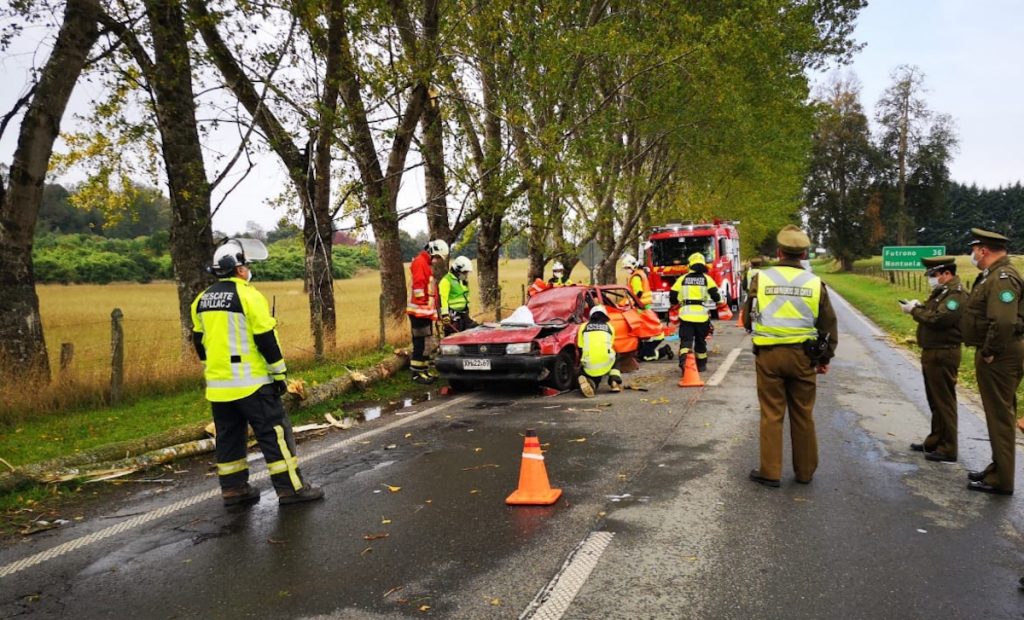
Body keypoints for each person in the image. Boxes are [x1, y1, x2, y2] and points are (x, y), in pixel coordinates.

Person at [191, 239, 324, 506]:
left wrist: (215, 369)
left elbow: (198, 342)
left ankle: (234, 490)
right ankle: (291, 489)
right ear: (238, 269)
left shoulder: (201, 300)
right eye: (246, 265)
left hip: (218, 386)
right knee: (274, 433)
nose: (248, 269)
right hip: (252, 382)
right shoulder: (248, 295)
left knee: (228, 437)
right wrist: (279, 375)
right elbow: (265, 339)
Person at [743, 225, 838, 488]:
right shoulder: (815, 284)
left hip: (769, 355)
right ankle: (805, 472)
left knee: (772, 413)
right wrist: (824, 358)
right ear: (804, 254)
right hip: (803, 357)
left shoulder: (761, 279)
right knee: (803, 413)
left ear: (779, 252)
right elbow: (828, 325)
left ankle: (770, 471)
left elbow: (746, 318)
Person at [960, 228, 1023, 495]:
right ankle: (998, 469)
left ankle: (1002, 479)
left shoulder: (1003, 278)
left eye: (974, 249)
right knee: (999, 413)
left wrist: (989, 350)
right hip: (1002, 352)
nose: (972, 254)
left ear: (983, 250)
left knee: (1000, 417)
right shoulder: (993, 275)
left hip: (1001, 354)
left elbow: (1004, 320)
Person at [898, 256, 965, 462]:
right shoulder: (942, 292)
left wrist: (914, 311)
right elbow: (932, 311)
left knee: (944, 401)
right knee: (935, 400)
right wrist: (918, 306)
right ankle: (936, 440)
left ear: (947, 274)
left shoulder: (956, 295)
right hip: (933, 351)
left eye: (934, 275)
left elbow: (939, 319)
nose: (931, 279)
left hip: (944, 352)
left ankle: (949, 447)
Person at [407, 239, 449, 384]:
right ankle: (416, 374)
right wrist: (423, 302)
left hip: (425, 313)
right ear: (431, 252)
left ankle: (423, 370)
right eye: (437, 257)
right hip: (419, 312)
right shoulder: (420, 262)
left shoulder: (425, 264)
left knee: (426, 343)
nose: (437, 261)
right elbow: (419, 286)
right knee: (420, 343)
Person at [670, 252, 720, 372]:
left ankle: (684, 364)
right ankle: (701, 365)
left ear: (690, 264)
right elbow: (716, 297)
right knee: (700, 341)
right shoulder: (707, 279)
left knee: (686, 341)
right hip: (702, 317)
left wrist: (676, 304)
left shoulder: (682, 279)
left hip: (686, 316)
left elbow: (672, 296)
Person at [623, 254, 672, 362]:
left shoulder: (636, 277)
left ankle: (664, 351)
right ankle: (649, 351)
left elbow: (638, 293)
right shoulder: (640, 273)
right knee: (643, 352)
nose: (627, 270)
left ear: (633, 266)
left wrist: (630, 303)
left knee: (646, 356)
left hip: (651, 328)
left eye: (627, 268)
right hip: (646, 309)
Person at [576, 305, 623, 397]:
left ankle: (591, 384)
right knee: (615, 355)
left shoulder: (583, 327)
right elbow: (610, 345)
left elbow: (580, 346)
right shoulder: (610, 327)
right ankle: (614, 381)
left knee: (590, 373)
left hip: (589, 362)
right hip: (606, 360)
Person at [439, 256, 478, 335]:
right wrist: (445, 315)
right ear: (457, 270)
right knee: (454, 337)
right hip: (452, 315)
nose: (466, 275)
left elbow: (465, 296)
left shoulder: (462, 281)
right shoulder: (446, 281)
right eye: (464, 272)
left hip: (463, 314)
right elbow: (443, 299)